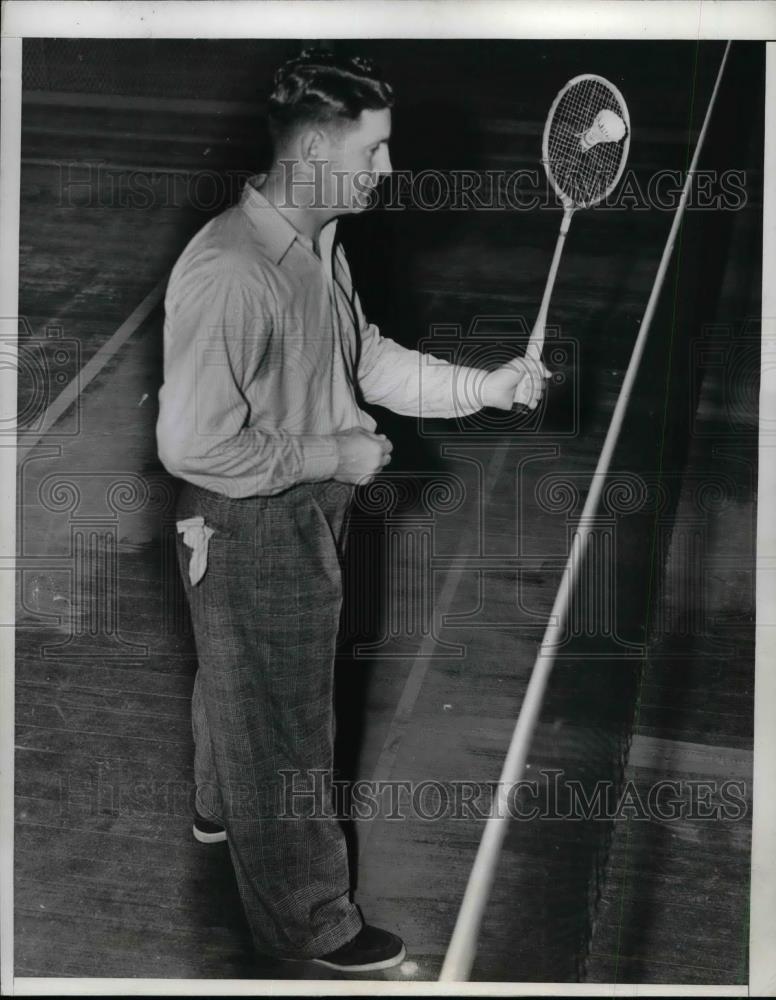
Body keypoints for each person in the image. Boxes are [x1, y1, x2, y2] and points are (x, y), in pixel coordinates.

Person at [156, 48, 550, 974]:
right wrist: (334, 454)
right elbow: (191, 445)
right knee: (285, 721)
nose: (387, 169)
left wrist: (483, 388)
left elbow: (360, 357)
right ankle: (310, 921)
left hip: (296, 509)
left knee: (245, 680)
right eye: (372, 151)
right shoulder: (233, 272)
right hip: (253, 521)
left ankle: (220, 806)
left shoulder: (314, 242)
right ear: (314, 154)